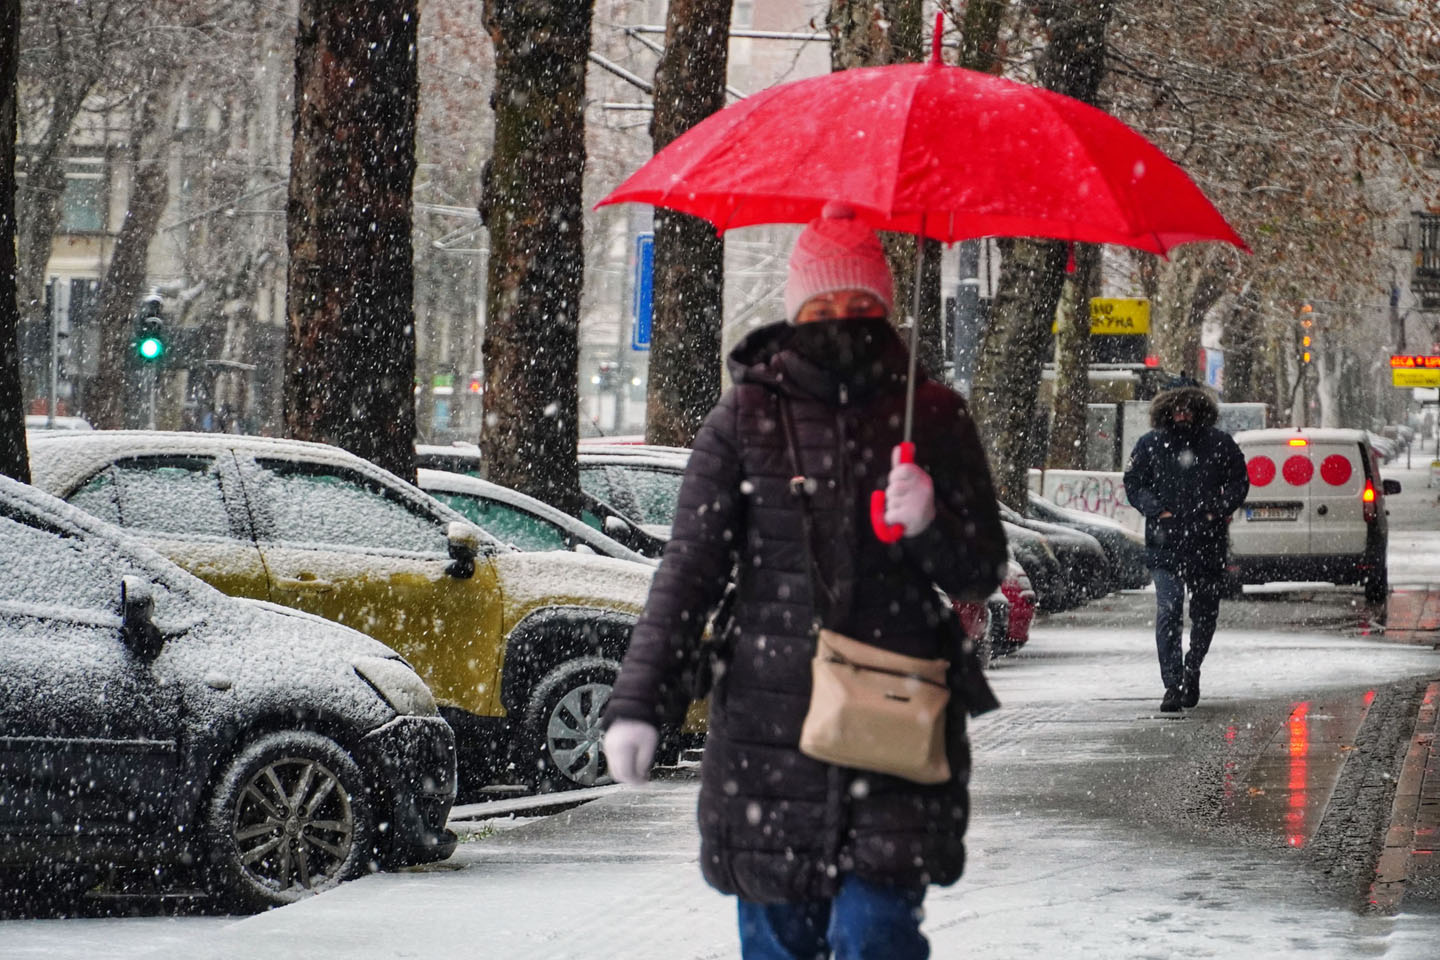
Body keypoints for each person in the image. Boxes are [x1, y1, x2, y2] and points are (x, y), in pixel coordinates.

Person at [600, 202, 1007, 960]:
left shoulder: (937, 416)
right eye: (823, 305)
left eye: (860, 304)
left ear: (884, 305)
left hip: (896, 714)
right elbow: (688, 571)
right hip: (768, 724)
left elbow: (981, 569)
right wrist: (640, 702)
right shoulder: (743, 418)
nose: (842, 319)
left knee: (876, 935)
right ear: (795, 311)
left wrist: (929, 525)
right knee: (780, 940)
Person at [1122, 380, 1249, 713]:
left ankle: (1192, 670)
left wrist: (1217, 510)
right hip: (1165, 545)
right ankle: (1173, 684)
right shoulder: (1150, 444)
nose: (1181, 414)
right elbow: (1133, 483)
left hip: (1207, 544)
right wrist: (1155, 509)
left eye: (1187, 408)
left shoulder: (1219, 444)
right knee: (1169, 608)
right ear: (1165, 411)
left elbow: (1240, 481)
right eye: (1175, 408)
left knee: (1205, 614)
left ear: (1198, 410)